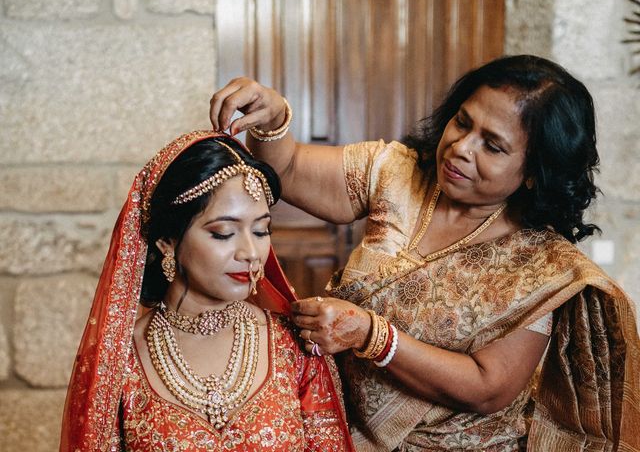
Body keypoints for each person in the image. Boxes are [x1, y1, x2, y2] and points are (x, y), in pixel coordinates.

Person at [209, 55, 640, 451]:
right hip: (338, 431)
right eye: (462, 122)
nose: (461, 147)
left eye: (492, 145)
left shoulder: (541, 265)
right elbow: (287, 169)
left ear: (533, 172)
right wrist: (274, 119)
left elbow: (489, 387)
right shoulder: (397, 174)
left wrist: (371, 335)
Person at [60, 131, 355, 451]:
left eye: (261, 230)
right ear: (168, 242)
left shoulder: (293, 345)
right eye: (223, 233)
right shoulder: (120, 361)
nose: (251, 252)